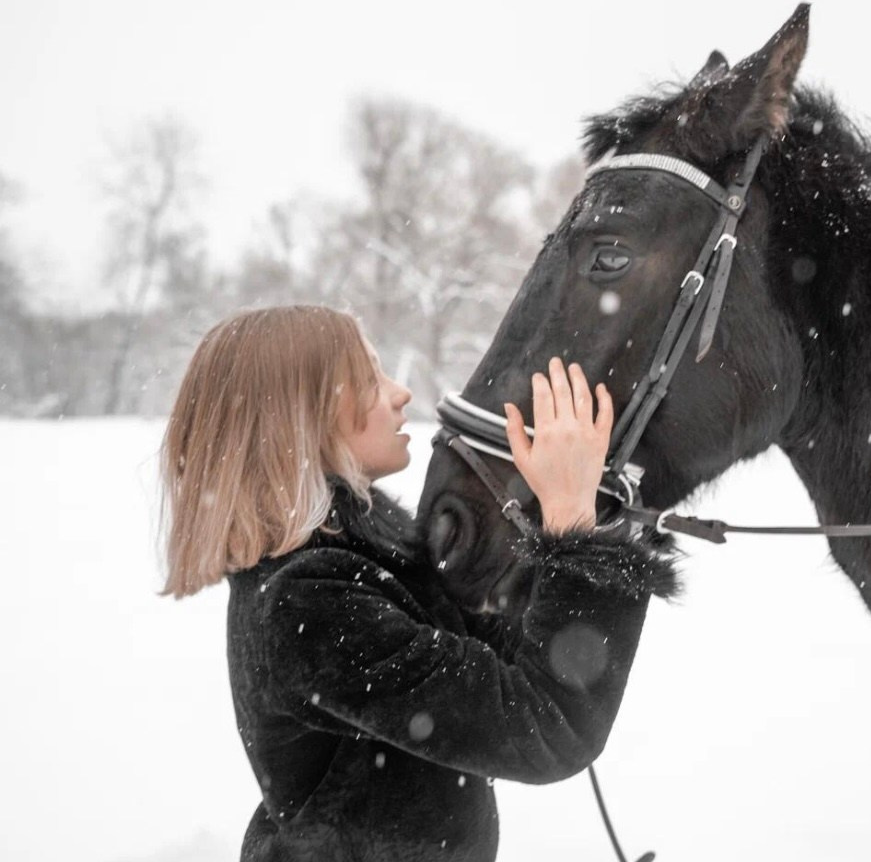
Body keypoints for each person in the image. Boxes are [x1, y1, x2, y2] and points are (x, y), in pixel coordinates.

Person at [160, 305, 676, 862]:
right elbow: (543, 725)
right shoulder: (310, 602)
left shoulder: (355, 568)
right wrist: (572, 522)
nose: (400, 393)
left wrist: (585, 515)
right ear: (302, 419)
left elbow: (516, 659)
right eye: (369, 380)